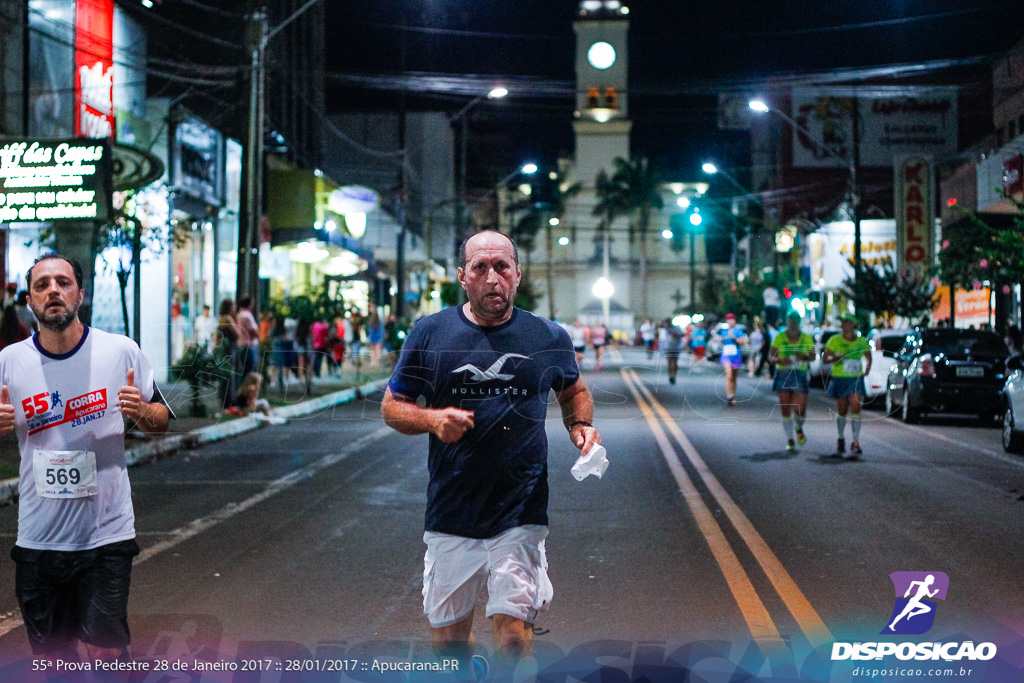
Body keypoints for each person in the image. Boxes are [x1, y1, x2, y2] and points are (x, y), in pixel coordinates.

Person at [380, 230, 601, 678]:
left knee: (515, 640)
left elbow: (573, 389)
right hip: (451, 511)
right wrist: (431, 420)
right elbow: (391, 407)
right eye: (480, 268)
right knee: (448, 644)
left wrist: (581, 426)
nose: (492, 277)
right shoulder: (430, 333)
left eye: (502, 267)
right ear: (463, 277)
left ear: (518, 275)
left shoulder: (546, 336)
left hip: (519, 509)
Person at [0, 253, 171, 662]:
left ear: (81, 293)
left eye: (63, 282)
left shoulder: (120, 352)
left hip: (105, 537)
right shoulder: (8, 362)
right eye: (42, 285)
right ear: (30, 300)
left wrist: (143, 413)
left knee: (104, 653)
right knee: (54, 661)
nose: (53, 291)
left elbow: (160, 421)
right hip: (38, 539)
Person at [821, 313, 872, 458]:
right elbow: (825, 359)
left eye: (848, 323)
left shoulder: (861, 341)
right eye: (843, 323)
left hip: (855, 378)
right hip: (839, 378)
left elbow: (868, 356)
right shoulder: (834, 340)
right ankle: (841, 439)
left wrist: (867, 369)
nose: (845, 325)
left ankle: (855, 442)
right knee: (842, 410)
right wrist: (837, 357)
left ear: (854, 325)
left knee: (856, 407)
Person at [769, 311, 815, 451]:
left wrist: (804, 357)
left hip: (799, 374)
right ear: (787, 321)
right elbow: (771, 356)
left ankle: (799, 427)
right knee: (785, 407)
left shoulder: (806, 338)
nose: (793, 322)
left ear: (799, 321)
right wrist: (780, 360)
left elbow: (812, 356)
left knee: (800, 408)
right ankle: (790, 439)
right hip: (783, 373)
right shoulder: (780, 337)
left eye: (796, 319)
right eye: (791, 319)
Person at [718, 313, 746, 406]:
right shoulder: (723, 330)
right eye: (729, 319)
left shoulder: (738, 330)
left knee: (734, 377)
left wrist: (735, 338)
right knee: (729, 375)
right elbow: (719, 339)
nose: (731, 321)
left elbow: (742, 342)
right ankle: (728, 396)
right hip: (726, 354)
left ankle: (733, 393)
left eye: (732, 319)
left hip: (736, 354)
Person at [236, 295, 259, 377]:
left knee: (244, 370)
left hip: (242, 344)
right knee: (249, 371)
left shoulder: (239, 314)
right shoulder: (247, 315)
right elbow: (252, 330)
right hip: (249, 345)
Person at [662, 318, 684, 384]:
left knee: (674, 362)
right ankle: (670, 375)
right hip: (668, 347)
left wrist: (676, 335)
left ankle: (674, 375)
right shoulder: (665, 329)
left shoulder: (677, 328)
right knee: (669, 362)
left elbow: (682, 334)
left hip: (675, 348)